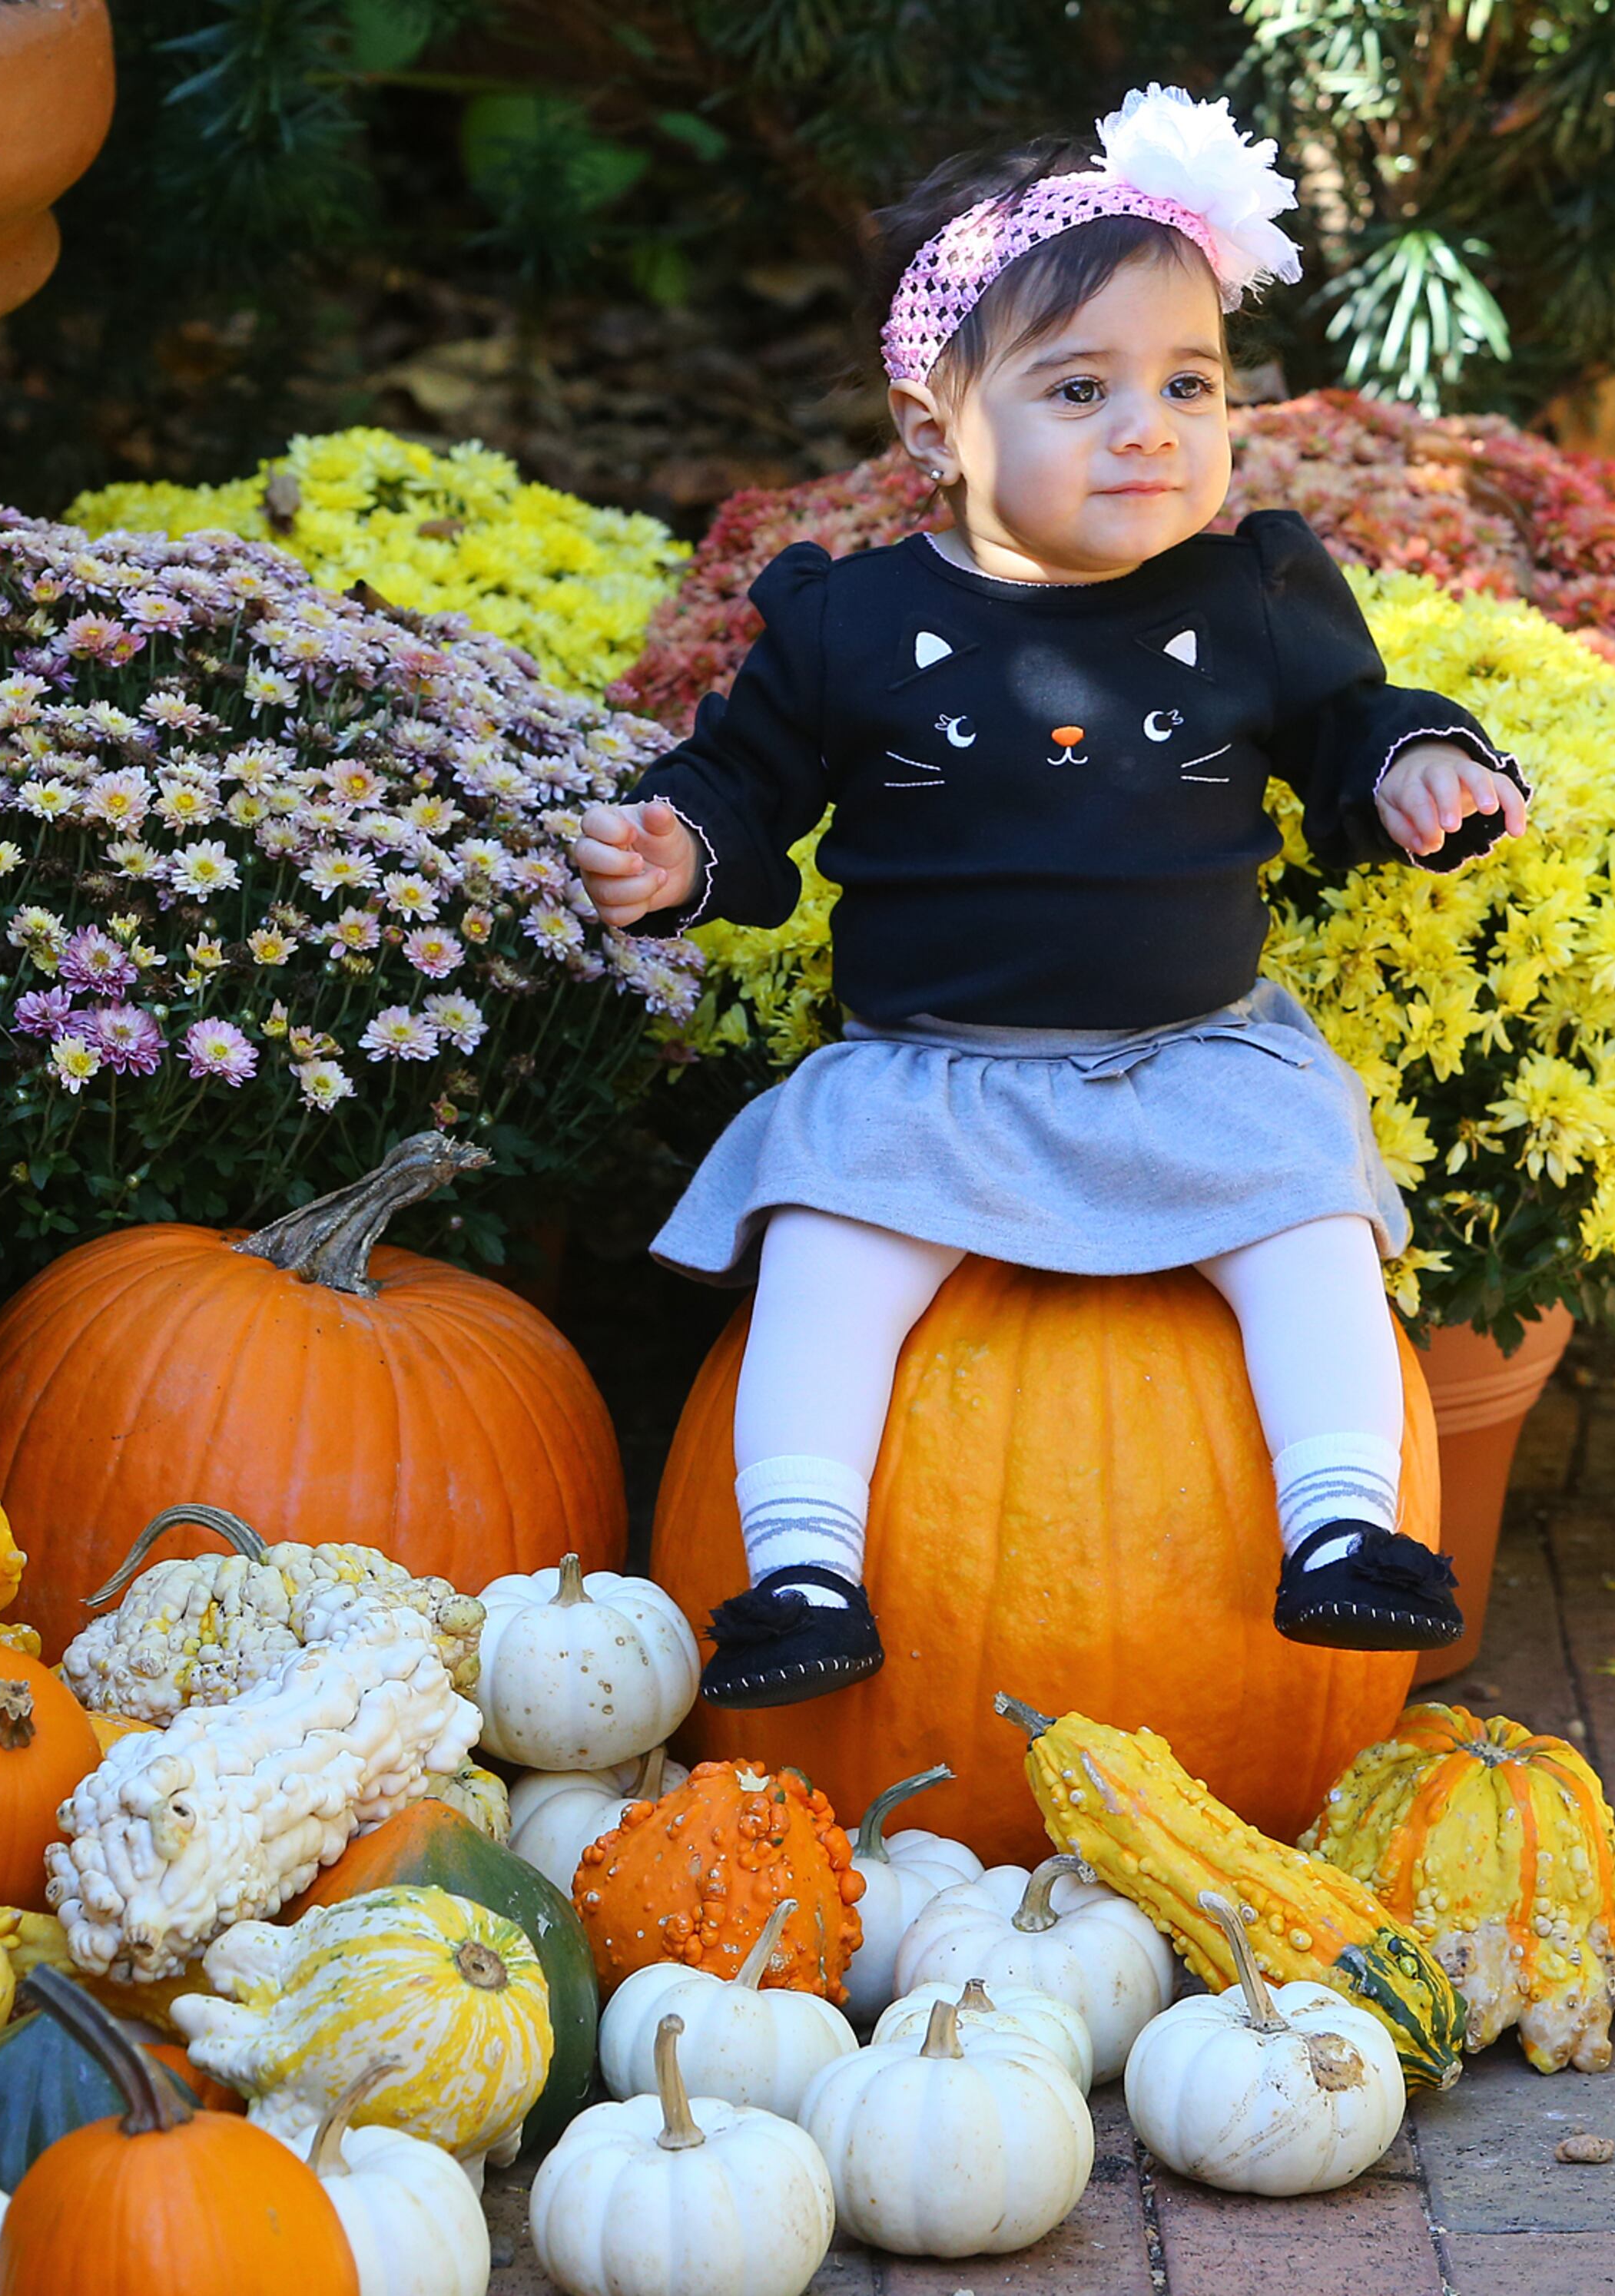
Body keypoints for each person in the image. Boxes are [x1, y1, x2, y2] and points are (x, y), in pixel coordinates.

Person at [576, 88, 1532, 1710]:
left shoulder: (1249, 598)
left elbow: (1344, 723)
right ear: (931, 428)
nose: (1147, 427)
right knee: (822, 1247)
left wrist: (1414, 768)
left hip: (1195, 1054)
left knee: (1313, 1215)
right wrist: (680, 849)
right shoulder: (851, 625)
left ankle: (1345, 1533)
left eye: (1188, 384)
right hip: (932, 1070)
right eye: (1080, 389)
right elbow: (748, 783)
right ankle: (802, 1569)